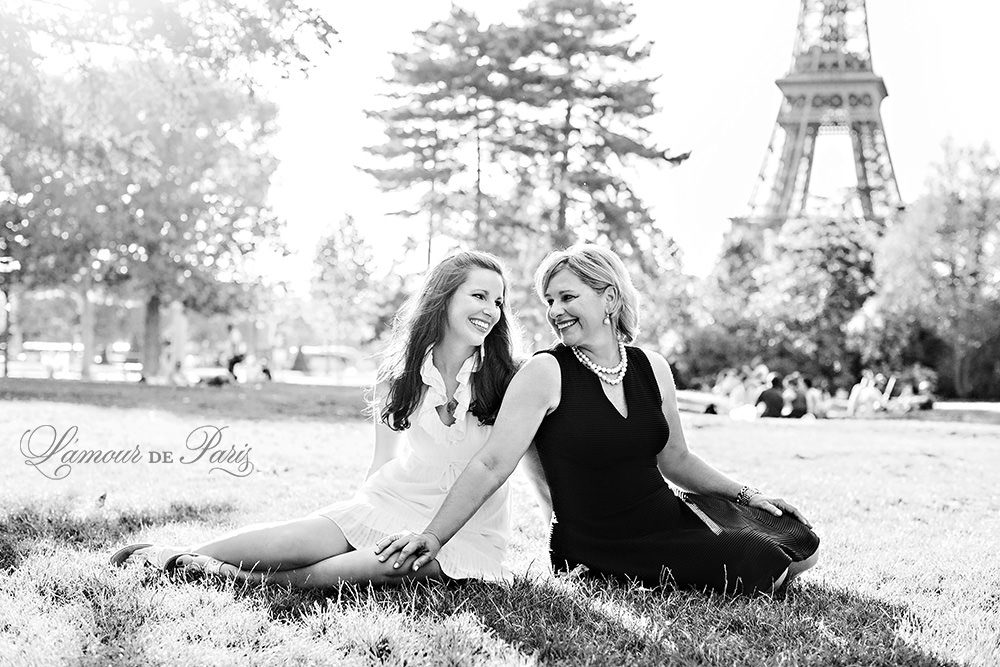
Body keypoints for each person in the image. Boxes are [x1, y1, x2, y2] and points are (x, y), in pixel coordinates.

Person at [377, 244, 819, 595]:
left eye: (568, 297)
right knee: (765, 565)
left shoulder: (652, 366)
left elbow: (677, 460)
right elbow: (492, 464)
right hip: (596, 541)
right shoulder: (544, 372)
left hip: (663, 514)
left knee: (801, 543)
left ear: (609, 298)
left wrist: (748, 494)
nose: (555, 311)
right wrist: (433, 537)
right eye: (550, 300)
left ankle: (717, 531)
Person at [111, 251, 521, 587]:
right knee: (299, 538)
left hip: (467, 529)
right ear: (444, 297)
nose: (492, 310)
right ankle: (174, 556)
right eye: (480, 296)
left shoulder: (509, 379)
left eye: (499, 301)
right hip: (396, 499)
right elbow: (383, 462)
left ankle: (242, 579)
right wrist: (355, 520)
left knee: (391, 565)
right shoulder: (400, 376)